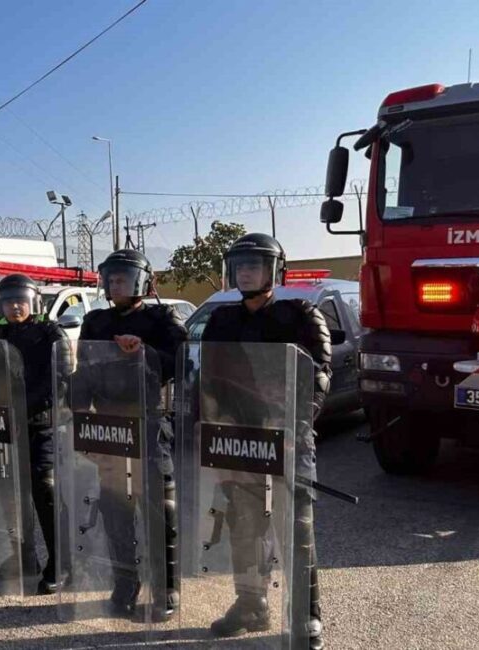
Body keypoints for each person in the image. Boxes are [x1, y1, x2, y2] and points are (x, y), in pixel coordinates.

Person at [200, 233, 330, 649]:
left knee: (296, 530)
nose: (246, 272)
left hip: (288, 438)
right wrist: (213, 424)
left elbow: (319, 377)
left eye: (254, 265)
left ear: (275, 270)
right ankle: (251, 605)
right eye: (240, 266)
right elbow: (208, 378)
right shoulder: (221, 320)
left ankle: (306, 615)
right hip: (238, 441)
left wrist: (295, 427)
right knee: (244, 528)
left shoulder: (302, 314)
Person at [79, 248, 188, 617]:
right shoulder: (95, 321)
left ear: (142, 280)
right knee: (114, 508)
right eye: (111, 277)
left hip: (151, 421)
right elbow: (85, 368)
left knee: (157, 508)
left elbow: (183, 360)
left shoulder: (161, 317)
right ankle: (125, 580)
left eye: (123, 276)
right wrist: (77, 406)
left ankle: (165, 587)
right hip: (109, 425)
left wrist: (145, 351)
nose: (116, 283)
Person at [0, 273, 67, 594]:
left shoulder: (50, 333)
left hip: (40, 424)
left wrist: (24, 409)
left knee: (44, 491)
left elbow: (58, 379)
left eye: (20, 300)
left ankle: (60, 563)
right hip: (4, 425)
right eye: (8, 301)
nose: (14, 306)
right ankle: (23, 555)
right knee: (9, 492)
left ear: (33, 302)